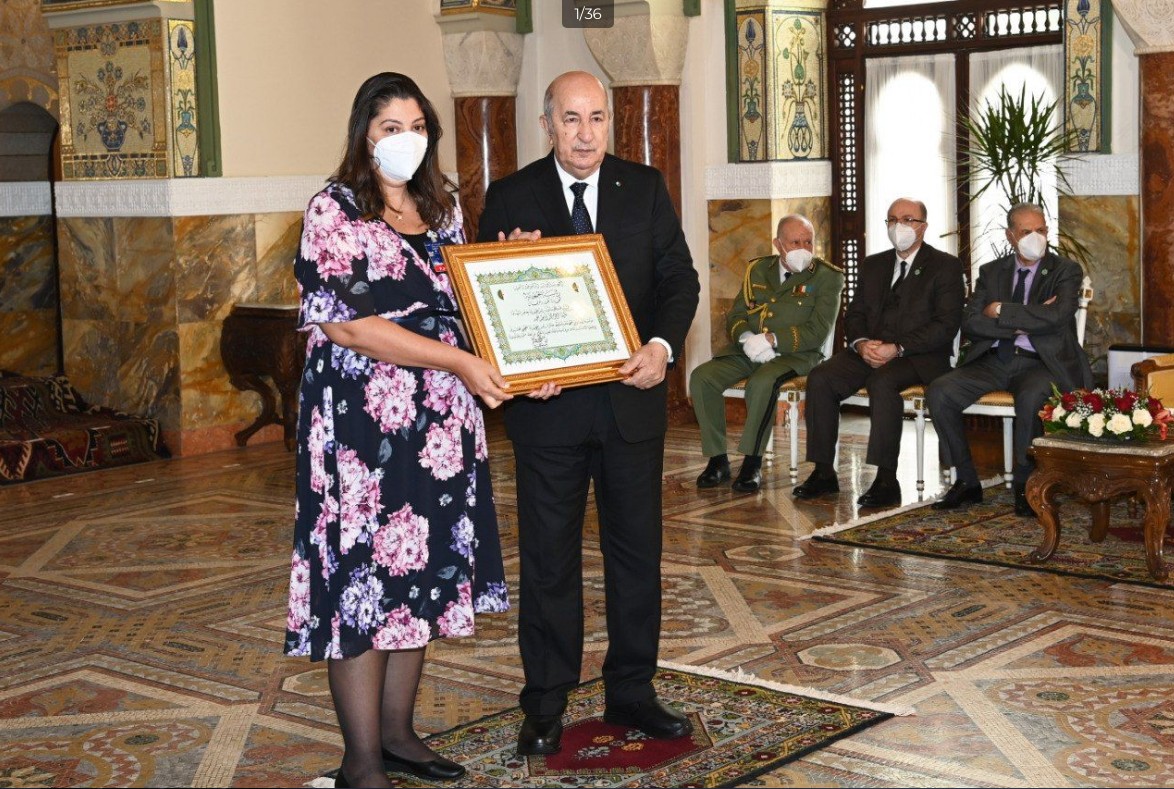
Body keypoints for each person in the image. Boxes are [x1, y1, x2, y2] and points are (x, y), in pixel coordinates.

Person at [284, 72, 511, 789]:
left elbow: (467, 309)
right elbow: (347, 323)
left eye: (417, 126)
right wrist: (459, 361)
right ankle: (362, 762)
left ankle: (398, 734)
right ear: (364, 135)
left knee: (419, 572)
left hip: (439, 426)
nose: (406, 140)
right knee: (363, 582)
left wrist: (511, 287)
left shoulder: (443, 212)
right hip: (360, 432)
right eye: (390, 127)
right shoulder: (335, 210)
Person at [476, 71, 700, 757]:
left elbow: (679, 281)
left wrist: (663, 348)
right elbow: (486, 299)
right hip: (549, 417)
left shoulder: (646, 186)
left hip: (631, 408)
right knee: (548, 561)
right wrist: (517, 366)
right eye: (570, 119)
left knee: (637, 556)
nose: (585, 133)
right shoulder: (511, 196)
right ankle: (545, 701)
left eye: (597, 118)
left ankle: (632, 687)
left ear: (611, 123)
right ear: (547, 125)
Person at [793, 198, 964, 508]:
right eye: (892, 219)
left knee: (882, 382)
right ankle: (823, 471)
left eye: (908, 219)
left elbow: (946, 325)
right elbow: (854, 313)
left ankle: (887, 478)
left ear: (922, 227)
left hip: (918, 356)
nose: (899, 226)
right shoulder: (874, 264)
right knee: (821, 377)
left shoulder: (945, 266)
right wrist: (860, 343)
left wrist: (897, 348)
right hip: (869, 349)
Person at [927, 202, 1093, 516]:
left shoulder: (1065, 271)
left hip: (1042, 362)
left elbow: (1057, 316)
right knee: (940, 390)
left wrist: (1002, 310)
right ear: (1010, 235)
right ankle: (966, 480)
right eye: (1027, 231)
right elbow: (972, 321)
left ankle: (1026, 484)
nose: (1036, 237)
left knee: (1031, 397)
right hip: (994, 359)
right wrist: (1030, 318)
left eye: (1041, 230)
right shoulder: (992, 272)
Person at [690, 215, 844, 493]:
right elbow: (737, 314)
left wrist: (773, 339)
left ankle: (752, 462)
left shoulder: (827, 277)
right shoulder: (758, 270)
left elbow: (818, 331)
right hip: (749, 350)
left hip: (797, 354)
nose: (803, 248)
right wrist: (746, 337)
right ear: (778, 244)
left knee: (762, 383)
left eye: (808, 241)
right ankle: (717, 459)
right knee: (702, 378)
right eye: (795, 241)